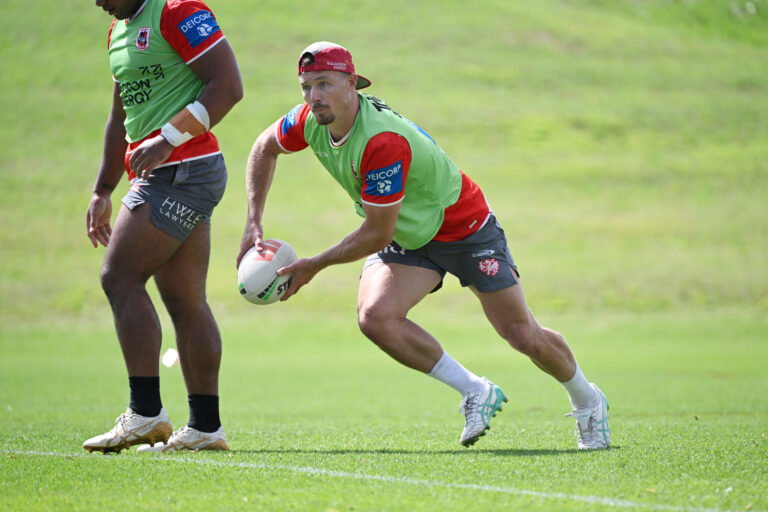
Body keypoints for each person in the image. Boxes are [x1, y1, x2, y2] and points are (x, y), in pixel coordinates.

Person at [238, 41, 610, 449]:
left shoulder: (381, 140)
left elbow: (376, 234)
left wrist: (314, 265)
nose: (314, 96)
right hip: (408, 233)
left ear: (351, 83)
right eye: (306, 86)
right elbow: (263, 148)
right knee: (376, 317)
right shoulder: (307, 120)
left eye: (324, 83)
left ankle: (588, 401)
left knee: (521, 333)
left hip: (463, 227)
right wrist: (253, 220)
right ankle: (475, 390)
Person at [83, 0, 243, 453]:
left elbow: (228, 86)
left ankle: (145, 413)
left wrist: (167, 139)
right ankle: (205, 427)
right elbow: (121, 118)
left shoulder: (177, 10)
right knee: (185, 299)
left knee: (119, 277)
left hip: (182, 168)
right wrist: (102, 189)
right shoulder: (118, 30)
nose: (96, 1)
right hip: (173, 171)